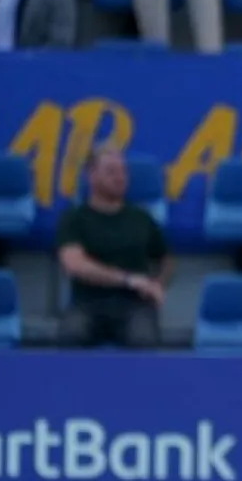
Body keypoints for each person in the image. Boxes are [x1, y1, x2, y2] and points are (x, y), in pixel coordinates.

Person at [56, 143, 171, 348]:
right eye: (111, 171)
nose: (120, 177)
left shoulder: (141, 218)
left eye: (123, 171)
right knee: (71, 336)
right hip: (87, 304)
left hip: (135, 306)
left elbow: (165, 258)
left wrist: (158, 284)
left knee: (144, 341)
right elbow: (75, 264)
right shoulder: (74, 219)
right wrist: (127, 280)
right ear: (90, 175)